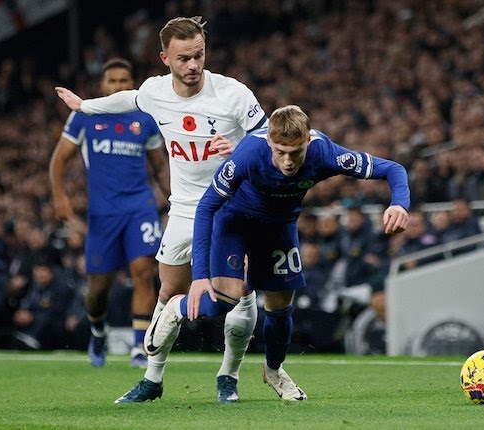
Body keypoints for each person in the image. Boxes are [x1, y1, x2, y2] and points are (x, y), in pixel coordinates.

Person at [55, 16, 268, 404]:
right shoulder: (155, 92)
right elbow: (127, 98)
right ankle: (152, 381)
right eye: (184, 58)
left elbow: (268, 140)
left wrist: (239, 151)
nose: (193, 66)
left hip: (234, 205)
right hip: (186, 209)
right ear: (165, 58)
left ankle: (228, 377)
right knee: (168, 290)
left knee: (241, 293)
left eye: (199, 55)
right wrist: (85, 106)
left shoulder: (233, 94)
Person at [145, 105, 409, 401]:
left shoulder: (325, 153)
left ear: (308, 141)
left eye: (295, 152)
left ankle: (274, 371)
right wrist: (199, 277)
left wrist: (399, 203)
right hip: (235, 224)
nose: (288, 161)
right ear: (270, 141)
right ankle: (176, 309)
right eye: (280, 151)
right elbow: (207, 207)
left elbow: (392, 169)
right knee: (224, 301)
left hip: (279, 228)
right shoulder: (249, 153)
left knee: (281, 308)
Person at [50, 57, 170, 368]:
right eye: (112, 81)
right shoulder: (85, 116)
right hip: (103, 214)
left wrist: (176, 198)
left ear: (132, 84)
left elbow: (159, 166)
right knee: (98, 289)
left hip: (139, 207)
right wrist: (60, 197)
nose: (118, 86)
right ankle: (98, 329)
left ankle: (139, 348)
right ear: (103, 85)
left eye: (123, 81)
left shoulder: (145, 119)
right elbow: (59, 160)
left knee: (144, 273)